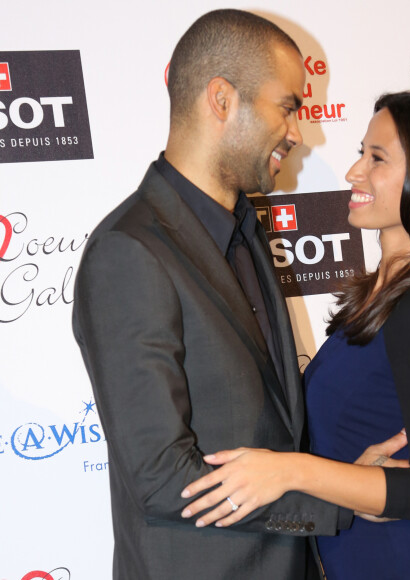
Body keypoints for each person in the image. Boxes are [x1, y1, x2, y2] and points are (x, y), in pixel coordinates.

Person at [179, 90, 410, 578]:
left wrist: (286, 471)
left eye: (377, 158)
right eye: (360, 154)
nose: (355, 172)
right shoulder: (386, 296)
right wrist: (351, 477)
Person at [72, 9, 359, 580]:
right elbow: (161, 477)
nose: (301, 133)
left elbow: (271, 425)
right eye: (288, 107)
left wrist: (346, 477)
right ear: (223, 100)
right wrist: (345, 503)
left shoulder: (247, 233)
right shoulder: (129, 252)